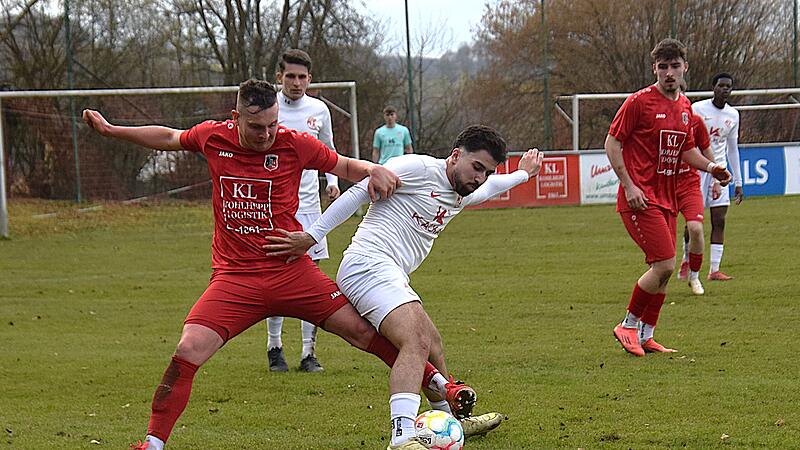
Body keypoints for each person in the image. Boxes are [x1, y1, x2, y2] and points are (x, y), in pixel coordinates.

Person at [82, 79, 452, 450]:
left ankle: (441, 385)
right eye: (256, 126)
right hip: (234, 279)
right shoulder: (213, 137)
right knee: (188, 349)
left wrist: (373, 169)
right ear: (235, 117)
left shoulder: (295, 144)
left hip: (291, 272)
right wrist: (112, 130)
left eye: (273, 124)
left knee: (360, 332)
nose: (266, 134)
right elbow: (168, 137)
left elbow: (342, 165)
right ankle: (152, 443)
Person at [264, 125, 543, 449]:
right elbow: (358, 193)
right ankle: (402, 435)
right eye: (476, 167)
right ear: (455, 156)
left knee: (432, 343)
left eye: (487, 172)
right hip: (366, 266)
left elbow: (493, 186)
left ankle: (451, 421)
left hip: (389, 273)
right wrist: (311, 236)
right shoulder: (417, 168)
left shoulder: (464, 191)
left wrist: (523, 174)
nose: (480, 178)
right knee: (417, 340)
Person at [604, 39, 731, 357]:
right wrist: (629, 186)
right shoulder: (639, 102)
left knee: (664, 269)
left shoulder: (685, 107)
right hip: (639, 199)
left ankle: (647, 335)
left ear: (685, 67)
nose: (669, 73)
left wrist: (712, 167)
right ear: (655, 69)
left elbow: (687, 151)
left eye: (675, 66)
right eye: (663, 67)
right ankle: (628, 325)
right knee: (664, 264)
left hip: (666, 199)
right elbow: (612, 143)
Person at [265, 49, 340, 373]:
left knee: (312, 279)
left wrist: (332, 182)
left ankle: (309, 353)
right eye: (290, 76)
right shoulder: (269, 108)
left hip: (310, 208)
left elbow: (328, 151)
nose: (296, 83)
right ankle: (275, 347)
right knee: (275, 277)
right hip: (275, 207)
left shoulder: (319, 110)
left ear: (309, 79)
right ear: (279, 77)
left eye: (302, 77)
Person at [690, 73, 743, 281]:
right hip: (699, 170)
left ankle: (714, 270)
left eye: (728, 86)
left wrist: (738, 181)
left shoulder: (733, 115)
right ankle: (687, 260)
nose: (725, 89)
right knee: (693, 223)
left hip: (720, 173)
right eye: (721, 85)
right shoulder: (697, 109)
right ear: (713, 87)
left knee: (719, 220)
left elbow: (733, 149)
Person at [675, 88, 720, 296]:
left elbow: (706, 148)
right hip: (662, 185)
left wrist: (716, 177)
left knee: (695, 228)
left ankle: (694, 276)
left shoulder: (695, 121)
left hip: (689, 183)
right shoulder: (655, 120)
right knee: (665, 241)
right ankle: (659, 276)